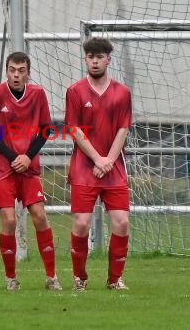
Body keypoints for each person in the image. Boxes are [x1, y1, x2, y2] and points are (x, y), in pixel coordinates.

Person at [0, 51, 62, 291]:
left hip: (29, 167)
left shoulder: (38, 94)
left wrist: (27, 156)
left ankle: (52, 277)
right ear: (6, 71)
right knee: (8, 219)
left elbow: (47, 128)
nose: (16, 75)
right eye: (12, 70)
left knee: (39, 215)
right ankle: (11, 279)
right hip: (3, 168)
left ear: (28, 73)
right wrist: (13, 157)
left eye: (21, 71)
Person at [65, 37, 132, 291]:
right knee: (81, 224)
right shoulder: (75, 91)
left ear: (108, 60)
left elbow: (123, 129)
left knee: (122, 222)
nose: (94, 61)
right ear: (85, 59)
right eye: (90, 56)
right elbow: (74, 129)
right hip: (85, 166)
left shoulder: (123, 93)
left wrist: (108, 161)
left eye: (99, 56)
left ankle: (115, 280)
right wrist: (97, 159)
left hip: (113, 166)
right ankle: (79, 278)